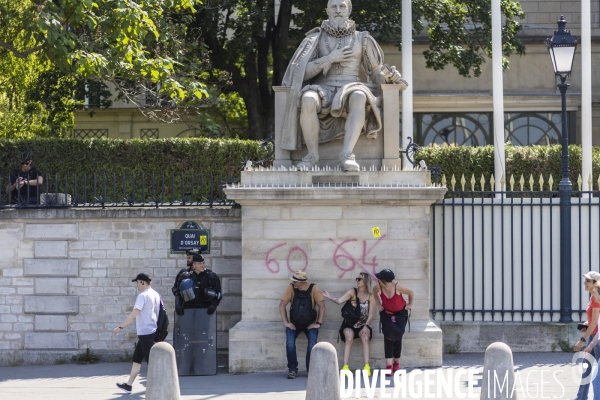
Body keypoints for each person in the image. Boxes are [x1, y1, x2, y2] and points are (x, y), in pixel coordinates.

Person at [280, 0, 407, 171]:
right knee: (308, 99)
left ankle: (347, 155)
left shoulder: (362, 38)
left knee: (359, 96)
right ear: (327, 11)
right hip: (322, 88)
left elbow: (375, 71)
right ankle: (312, 156)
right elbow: (302, 72)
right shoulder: (315, 39)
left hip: (351, 86)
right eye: (334, 7)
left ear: (349, 10)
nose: (338, 11)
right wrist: (330, 58)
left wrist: (389, 77)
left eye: (342, 7)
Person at [113, 273, 162, 394]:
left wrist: (120, 327)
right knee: (137, 359)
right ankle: (128, 385)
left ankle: (159, 388)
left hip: (146, 332)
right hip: (151, 331)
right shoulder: (156, 294)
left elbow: (134, 315)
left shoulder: (143, 296)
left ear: (142, 282)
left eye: (137, 283)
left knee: (152, 362)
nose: (137, 285)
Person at [319, 271, 375, 376]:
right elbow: (339, 301)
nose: (357, 281)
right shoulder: (352, 292)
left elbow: (371, 314)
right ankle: (345, 367)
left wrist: (366, 326)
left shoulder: (370, 296)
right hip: (349, 324)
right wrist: (329, 297)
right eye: (357, 279)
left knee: (365, 337)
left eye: (359, 279)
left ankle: (366, 367)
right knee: (349, 339)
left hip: (363, 324)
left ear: (365, 281)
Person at [279, 270, 326, 379]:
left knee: (312, 345)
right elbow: (282, 305)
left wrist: (318, 323)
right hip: (294, 323)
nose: (293, 283)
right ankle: (292, 369)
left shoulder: (313, 288)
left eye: (295, 281)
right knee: (290, 344)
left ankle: (310, 369)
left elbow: (322, 306)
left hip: (310, 323)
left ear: (302, 282)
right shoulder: (291, 287)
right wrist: (286, 322)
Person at [372, 268, 413, 374]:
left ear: (384, 280)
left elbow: (411, 292)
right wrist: (378, 304)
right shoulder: (379, 287)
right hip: (387, 314)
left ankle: (396, 364)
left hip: (400, 315)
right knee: (388, 338)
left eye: (380, 279)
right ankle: (389, 366)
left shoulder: (397, 287)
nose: (378, 280)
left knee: (398, 338)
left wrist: (410, 304)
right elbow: (374, 291)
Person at [574, 271, 600, 400]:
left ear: (595, 283)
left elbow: (595, 322)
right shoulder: (592, 297)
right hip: (593, 335)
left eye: (588, 281)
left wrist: (582, 341)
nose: (585, 283)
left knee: (595, 374)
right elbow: (593, 321)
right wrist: (586, 324)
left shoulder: (597, 299)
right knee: (586, 368)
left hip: (597, 338)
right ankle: (581, 397)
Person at [172, 251, 222, 316]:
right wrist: (178, 305)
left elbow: (218, 293)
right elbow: (178, 293)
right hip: (188, 310)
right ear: (194, 265)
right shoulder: (185, 276)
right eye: (200, 263)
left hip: (205, 311)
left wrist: (213, 305)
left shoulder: (211, 276)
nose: (202, 265)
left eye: (203, 263)